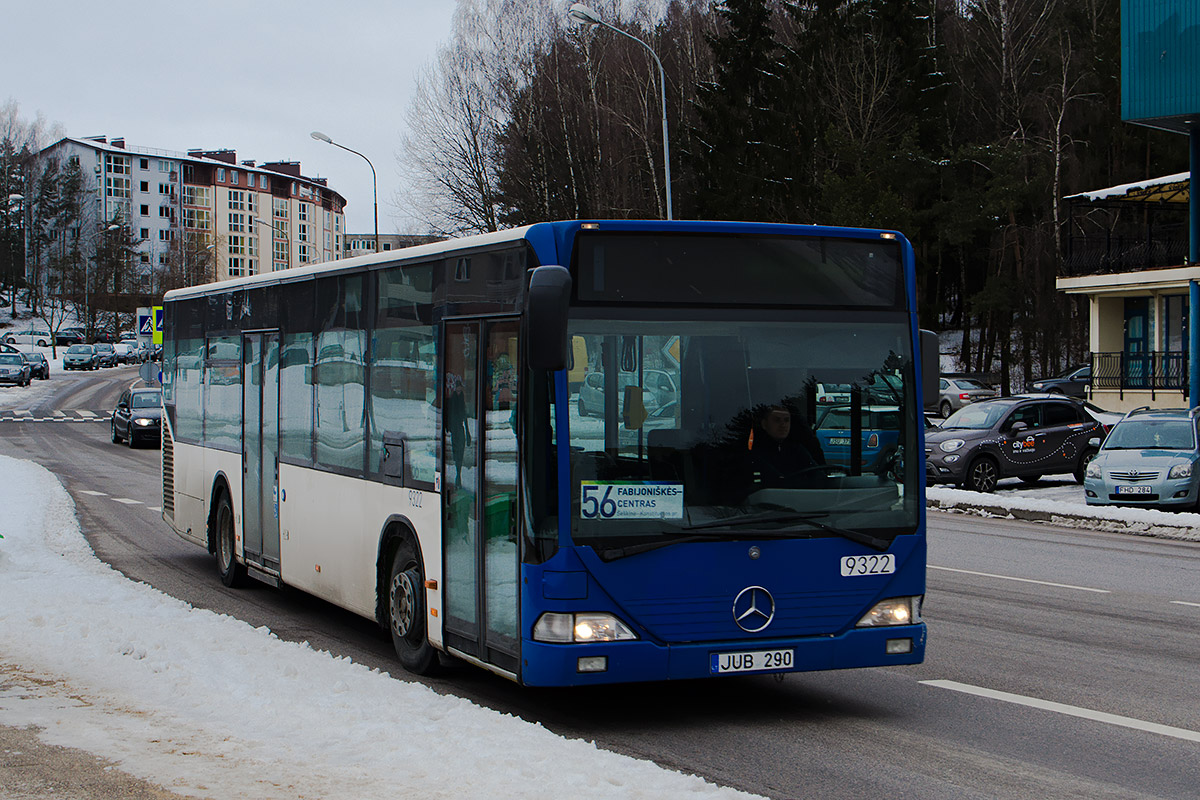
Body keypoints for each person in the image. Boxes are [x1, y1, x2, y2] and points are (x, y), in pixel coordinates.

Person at [748, 404, 824, 487]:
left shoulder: (797, 449)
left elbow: (819, 476)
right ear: (764, 424)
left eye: (786, 420)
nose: (783, 425)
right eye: (777, 420)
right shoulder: (755, 450)